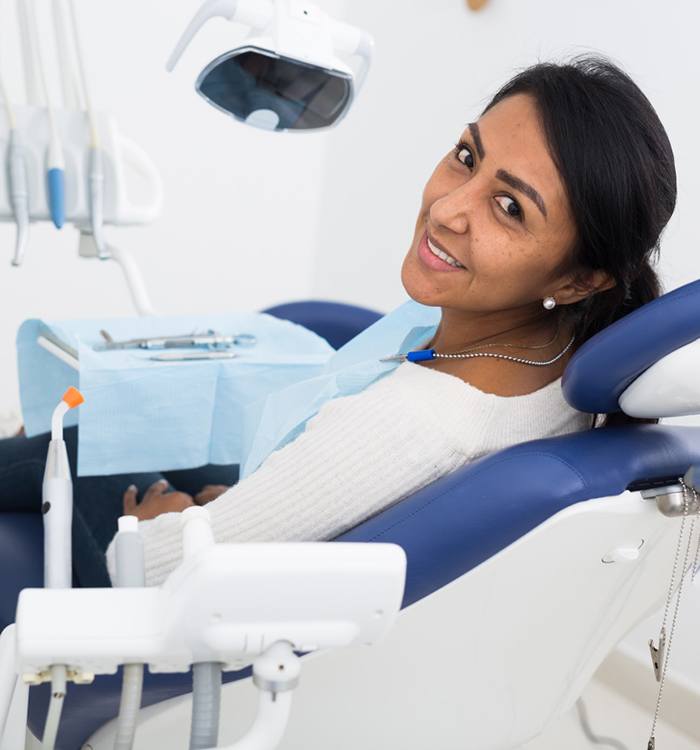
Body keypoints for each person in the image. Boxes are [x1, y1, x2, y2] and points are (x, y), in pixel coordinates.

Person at [0, 55, 676, 587]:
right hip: (262, 521)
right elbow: (325, 490)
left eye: (510, 209)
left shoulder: (416, 426)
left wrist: (169, 524)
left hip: (168, 593)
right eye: (467, 158)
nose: (447, 209)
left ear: (581, 278)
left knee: (63, 451)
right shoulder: (557, 365)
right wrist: (249, 502)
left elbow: (162, 570)